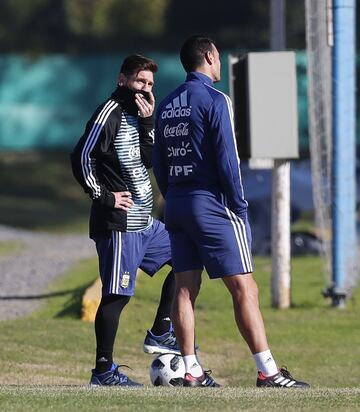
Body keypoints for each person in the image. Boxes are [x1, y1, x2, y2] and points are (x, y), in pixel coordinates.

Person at [153, 35, 310, 388]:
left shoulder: (166, 104)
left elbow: (158, 163)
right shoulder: (214, 99)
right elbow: (228, 159)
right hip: (210, 203)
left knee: (184, 288)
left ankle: (191, 369)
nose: (220, 64)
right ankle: (268, 371)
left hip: (175, 203)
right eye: (218, 57)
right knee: (244, 287)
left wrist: (172, 196)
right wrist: (238, 207)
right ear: (208, 57)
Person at [71, 54, 180, 387]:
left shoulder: (140, 114)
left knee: (188, 255)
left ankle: (162, 330)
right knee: (117, 295)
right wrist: (104, 197)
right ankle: (103, 371)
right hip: (119, 225)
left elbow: (149, 160)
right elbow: (81, 156)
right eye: (139, 81)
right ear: (122, 80)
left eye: (149, 84)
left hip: (146, 223)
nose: (145, 89)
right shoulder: (109, 114)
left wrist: (149, 124)